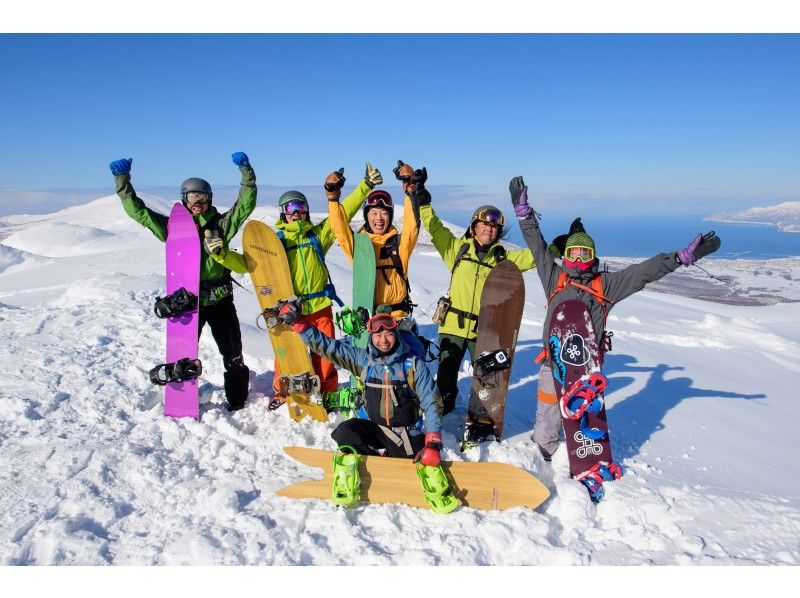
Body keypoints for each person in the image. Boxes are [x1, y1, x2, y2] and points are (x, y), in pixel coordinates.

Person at [509, 175, 722, 461]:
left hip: (587, 368)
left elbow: (643, 272)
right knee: (547, 409)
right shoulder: (555, 278)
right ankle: (543, 451)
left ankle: (581, 456)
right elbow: (537, 246)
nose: (579, 257)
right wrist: (524, 216)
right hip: (553, 360)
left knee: (581, 416)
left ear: (594, 255)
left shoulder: (605, 284)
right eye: (574, 252)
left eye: (586, 252)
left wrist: (679, 258)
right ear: (567, 255)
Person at [109, 152, 256, 411]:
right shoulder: (173, 228)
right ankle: (180, 398)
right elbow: (140, 213)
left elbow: (245, 205)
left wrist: (246, 173)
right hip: (188, 302)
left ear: (209, 198)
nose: (197, 201)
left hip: (221, 300)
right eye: (191, 196)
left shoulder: (222, 225)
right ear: (184, 199)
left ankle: (236, 400)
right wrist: (122, 182)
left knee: (233, 354)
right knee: (182, 356)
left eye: (202, 196)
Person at [411, 168, 536, 415]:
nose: (489, 230)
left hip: (484, 330)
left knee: (486, 377)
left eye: (493, 228)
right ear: (473, 227)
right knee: (446, 375)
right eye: (484, 225)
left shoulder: (503, 260)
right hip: (453, 326)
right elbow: (434, 227)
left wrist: (556, 247)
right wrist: (422, 196)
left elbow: (532, 258)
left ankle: (481, 415)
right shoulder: (455, 249)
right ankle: (443, 411)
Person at [276, 301, 443, 464]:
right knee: (344, 433)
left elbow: (431, 402)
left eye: (388, 334)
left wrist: (433, 442)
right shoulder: (365, 361)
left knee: (410, 466)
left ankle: (393, 458)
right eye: (378, 335)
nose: (383, 340)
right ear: (372, 337)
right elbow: (329, 347)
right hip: (375, 429)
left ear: (396, 335)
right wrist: (300, 324)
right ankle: (375, 461)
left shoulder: (412, 365)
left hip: (405, 435)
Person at [270, 166, 377, 406]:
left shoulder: (317, 236)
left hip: (319, 306)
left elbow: (342, 215)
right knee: (286, 353)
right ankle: (282, 391)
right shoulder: (277, 242)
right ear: (283, 213)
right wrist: (221, 254)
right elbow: (253, 267)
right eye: (291, 208)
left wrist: (365, 186)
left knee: (326, 354)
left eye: (301, 207)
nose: (297, 213)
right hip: (290, 309)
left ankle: (327, 391)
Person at [327, 161, 419, 318]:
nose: (379, 218)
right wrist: (333, 199)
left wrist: (410, 191)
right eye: (374, 213)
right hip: (368, 319)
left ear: (390, 217)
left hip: (397, 317)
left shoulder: (398, 245)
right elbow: (340, 229)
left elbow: (411, 227)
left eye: (384, 213)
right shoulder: (359, 246)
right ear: (366, 217)